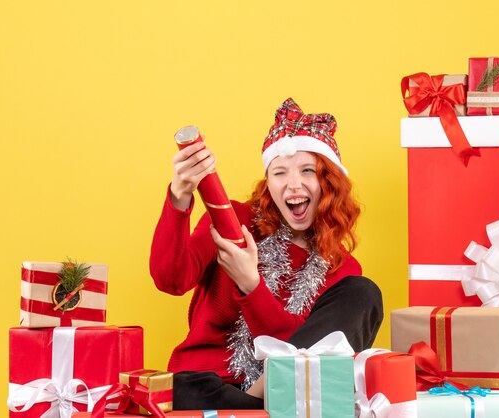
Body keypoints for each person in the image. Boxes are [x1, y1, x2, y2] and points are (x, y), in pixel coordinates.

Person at [150, 98, 383, 409]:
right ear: (268, 183)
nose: (293, 184)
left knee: (364, 293)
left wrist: (250, 284)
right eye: (280, 173)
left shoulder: (341, 269)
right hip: (211, 384)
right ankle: (256, 407)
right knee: (186, 386)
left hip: (281, 389)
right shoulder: (234, 220)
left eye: (308, 170)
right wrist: (179, 196)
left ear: (329, 183)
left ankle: (257, 400)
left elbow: (298, 349)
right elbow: (170, 279)